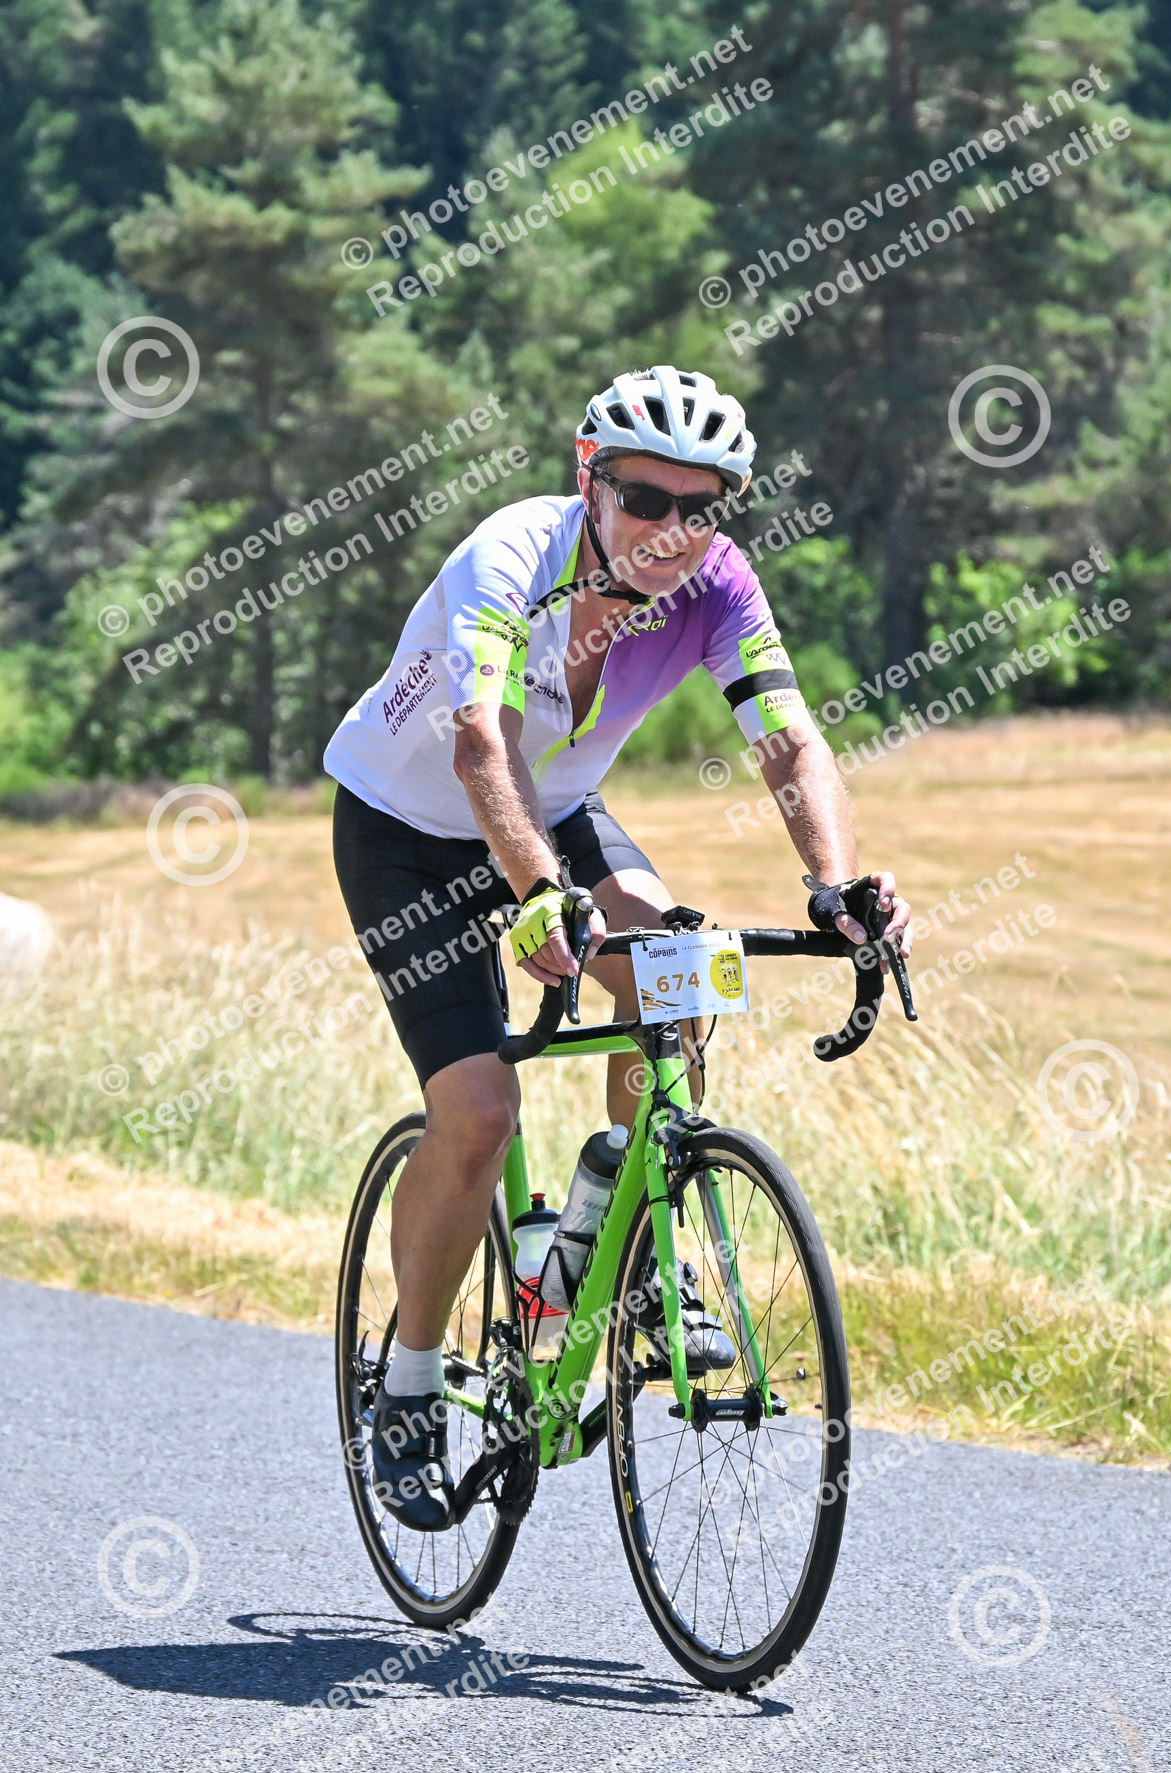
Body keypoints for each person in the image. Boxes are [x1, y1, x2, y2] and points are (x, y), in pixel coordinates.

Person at [324, 364, 913, 1529]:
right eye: (645, 500)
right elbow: (479, 743)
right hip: (409, 830)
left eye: (701, 508)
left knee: (675, 974)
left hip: (554, 813)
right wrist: (535, 895)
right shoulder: (511, 555)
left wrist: (833, 882)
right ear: (588, 478)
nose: (671, 532)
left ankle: (626, 1238)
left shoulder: (718, 583)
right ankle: (405, 1383)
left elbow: (788, 743)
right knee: (479, 1114)